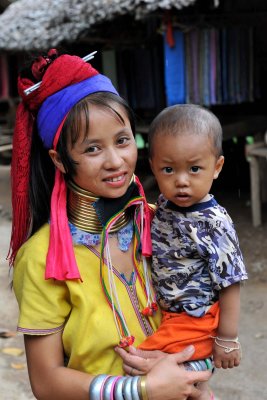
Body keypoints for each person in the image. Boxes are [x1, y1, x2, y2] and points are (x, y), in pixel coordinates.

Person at [8, 51, 211, 400]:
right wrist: (142, 388)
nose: (115, 161)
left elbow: (205, 315)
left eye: (122, 140)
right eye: (92, 149)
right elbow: (46, 382)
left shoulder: (165, 221)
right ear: (59, 159)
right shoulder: (42, 257)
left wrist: (178, 369)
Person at [118, 104, 247, 400]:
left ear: (217, 167)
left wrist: (227, 339)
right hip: (169, 316)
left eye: (194, 168)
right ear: (153, 167)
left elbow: (231, 282)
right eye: (168, 169)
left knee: (141, 363)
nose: (181, 180)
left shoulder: (214, 223)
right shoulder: (164, 204)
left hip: (196, 321)